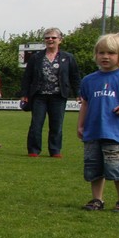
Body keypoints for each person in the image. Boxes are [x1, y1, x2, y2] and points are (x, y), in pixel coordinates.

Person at [77, 33, 119, 211]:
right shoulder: (89, 80)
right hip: (93, 131)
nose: (105, 56)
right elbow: (85, 104)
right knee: (94, 167)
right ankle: (97, 200)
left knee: (117, 168)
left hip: (115, 132)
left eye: (111, 53)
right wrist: (81, 125)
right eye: (101, 52)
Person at [21, 27, 81, 158]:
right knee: (36, 124)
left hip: (59, 96)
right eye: (47, 37)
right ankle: (33, 150)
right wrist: (24, 94)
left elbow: (74, 77)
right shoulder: (36, 57)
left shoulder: (68, 58)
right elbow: (27, 77)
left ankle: (55, 150)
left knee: (56, 125)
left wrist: (78, 93)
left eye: (53, 37)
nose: (50, 40)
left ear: (60, 40)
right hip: (39, 96)